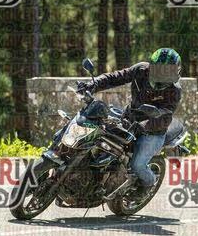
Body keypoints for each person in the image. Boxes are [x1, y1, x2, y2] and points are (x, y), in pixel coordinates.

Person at [77, 48, 182, 199]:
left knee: (137, 165)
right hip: (129, 119)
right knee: (98, 138)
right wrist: (93, 85)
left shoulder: (174, 91)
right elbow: (115, 77)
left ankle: (149, 183)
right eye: (159, 70)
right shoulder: (141, 70)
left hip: (152, 131)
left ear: (176, 71)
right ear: (151, 67)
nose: (162, 75)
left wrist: (145, 125)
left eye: (167, 71)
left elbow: (165, 117)